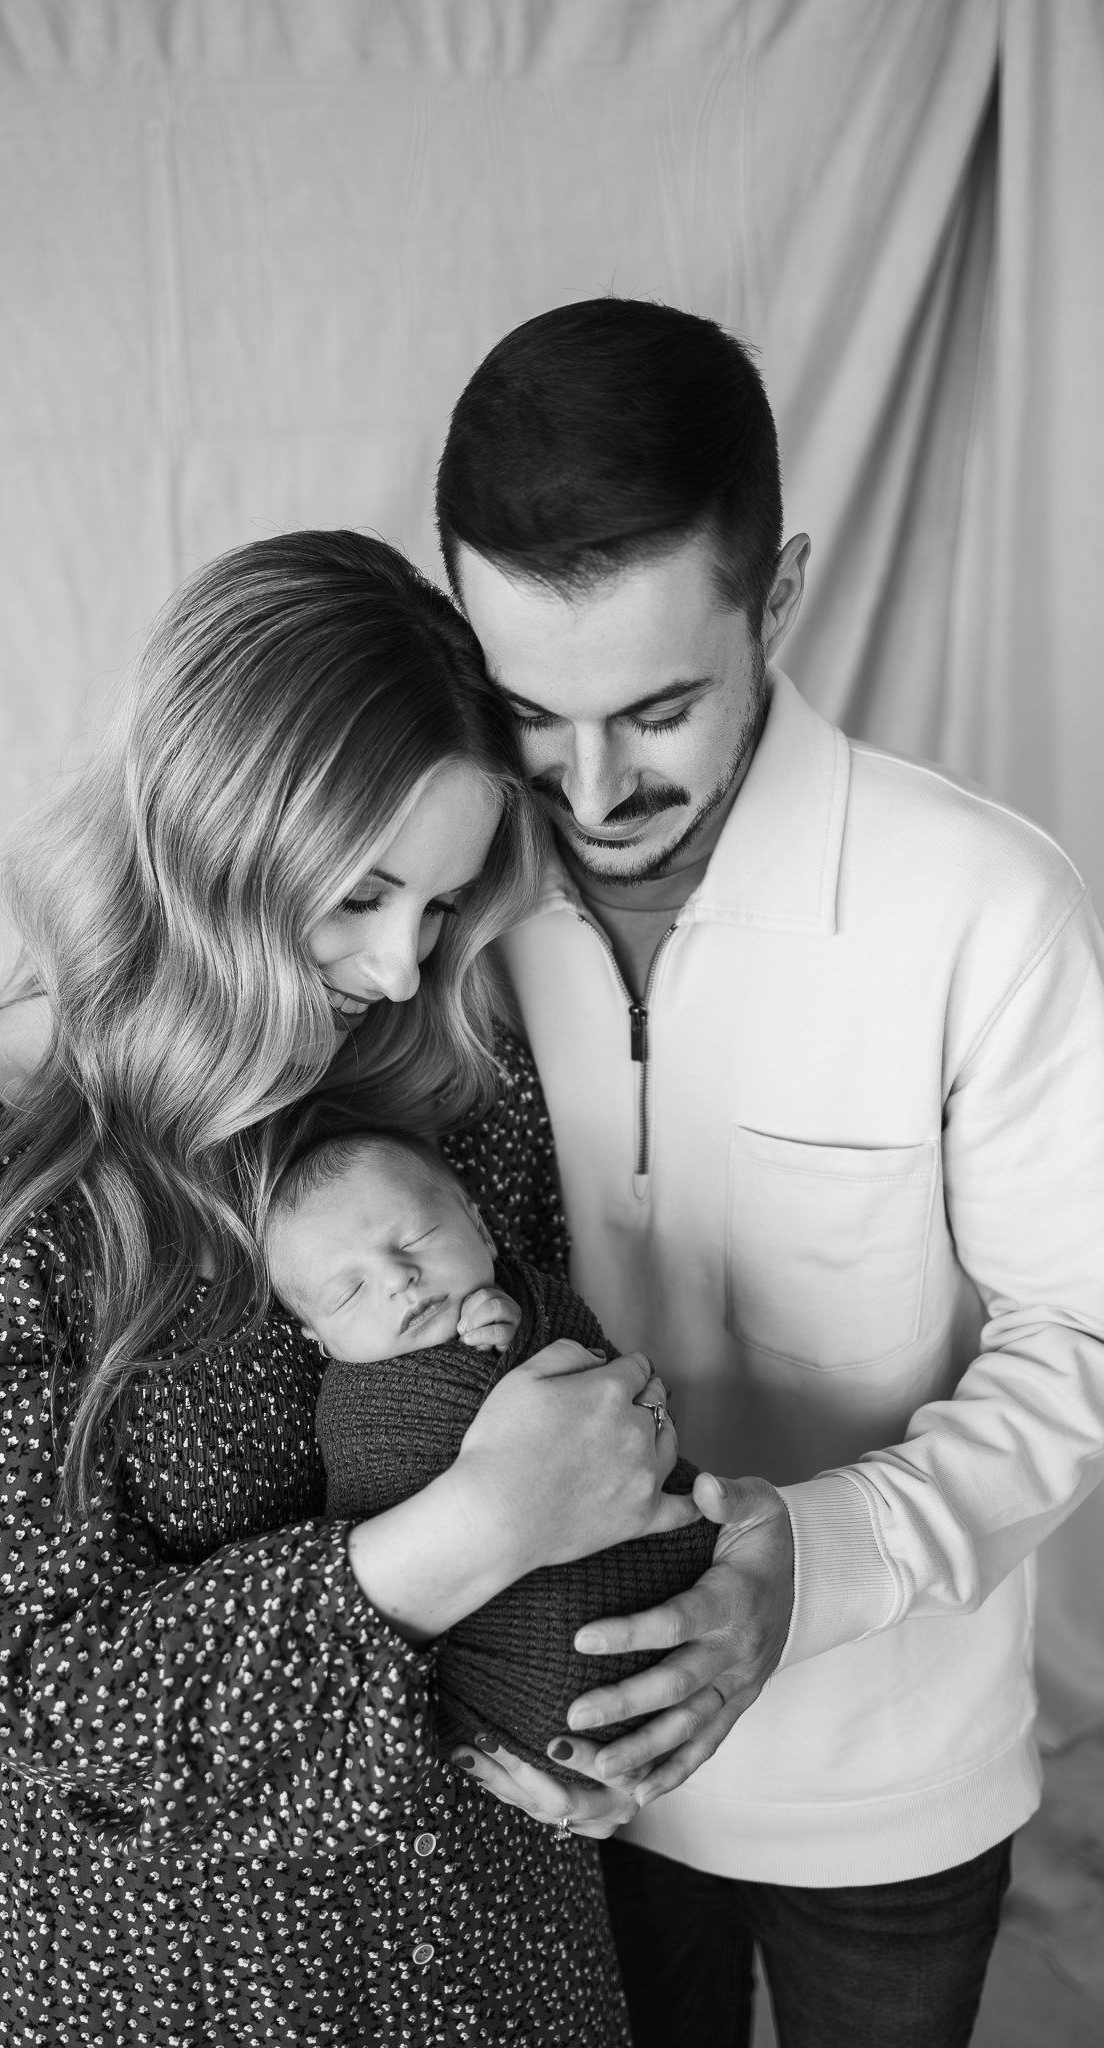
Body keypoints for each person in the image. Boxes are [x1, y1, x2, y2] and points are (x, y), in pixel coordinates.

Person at [0, 529, 700, 2047]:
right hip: (145, 1975)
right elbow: (29, 1682)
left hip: (483, 1940)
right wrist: (476, 1527)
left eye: (440, 907)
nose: (399, 968)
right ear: (211, 835)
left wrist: (606, 1698)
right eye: (359, 897)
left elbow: (568, 1418)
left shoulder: (447, 1079)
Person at [433, 298, 1104, 2048]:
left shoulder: (988, 903)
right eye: (532, 712)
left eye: (657, 709)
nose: (590, 787)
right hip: (556, 1767)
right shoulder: (432, 910)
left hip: (894, 1785)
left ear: (779, 596)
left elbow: (1081, 1338)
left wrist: (813, 1561)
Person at [263, 1127, 716, 1771]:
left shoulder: (527, 1299)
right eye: (348, 1292)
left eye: (416, 1238)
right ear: (317, 1337)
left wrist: (526, 1332)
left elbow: (608, 1385)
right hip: (509, 1691)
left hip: (693, 1615)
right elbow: (375, 1524)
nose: (397, 1278)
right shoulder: (355, 1414)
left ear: (480, 1227)